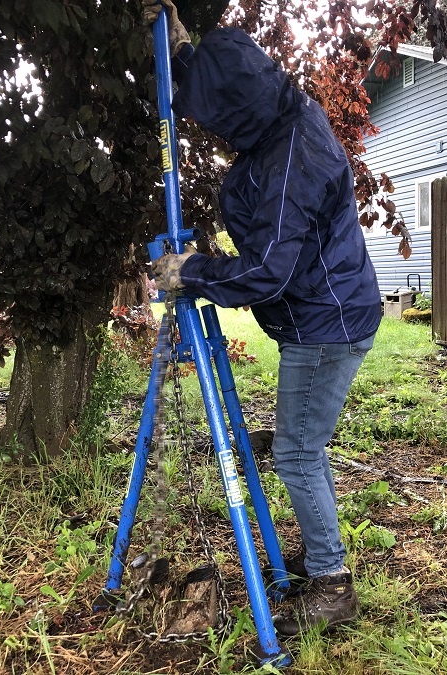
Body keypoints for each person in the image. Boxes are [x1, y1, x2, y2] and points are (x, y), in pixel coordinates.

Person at [144, 1, 383, 637]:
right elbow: (232, 82)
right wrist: (183, 50)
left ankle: (332, 583)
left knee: (299, 451)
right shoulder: (278, 114)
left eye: (220, 120)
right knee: (304, 445)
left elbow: (267, 272)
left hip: (328, 325)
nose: (217, 132)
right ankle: (323, 550)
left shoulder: (293, 158)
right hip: (329, 312)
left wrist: (191, 270)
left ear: (241, 111)